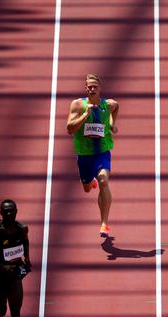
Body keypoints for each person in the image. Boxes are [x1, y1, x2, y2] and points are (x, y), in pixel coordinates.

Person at [66, 74, 119, 237]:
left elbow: (116, 107)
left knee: (104, 181)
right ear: (85, 88)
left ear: (100, 88)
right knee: (87, 188)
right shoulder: (77, 105)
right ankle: (90, 182)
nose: (92, 88)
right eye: (89, 86)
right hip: (84, 154)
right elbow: (70, 129)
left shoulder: (108, 104)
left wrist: (111, 124)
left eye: (95, 86)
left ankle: (104, 223)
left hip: (102, 152)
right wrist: (85, 115)